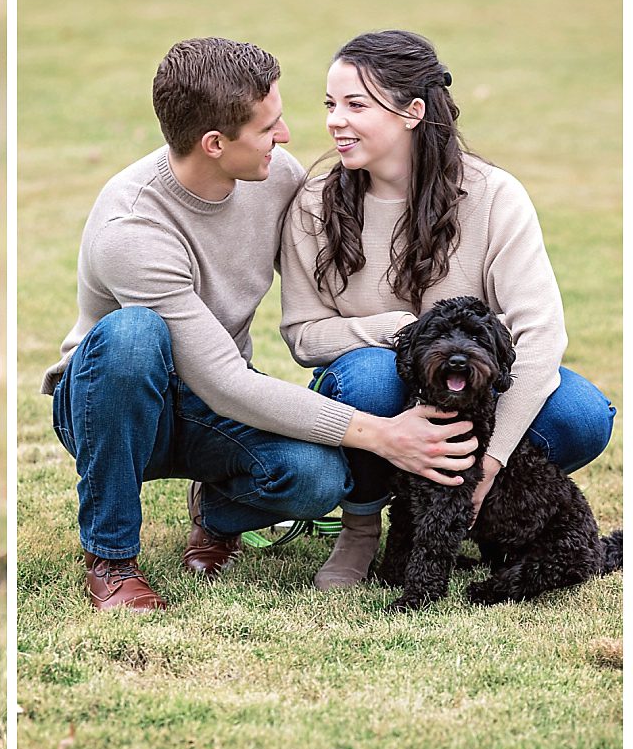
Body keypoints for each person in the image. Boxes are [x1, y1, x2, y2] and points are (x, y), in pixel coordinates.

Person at [43, 36, 475, 612]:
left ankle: (216, 514)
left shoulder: (275, 177)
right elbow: (223, 380)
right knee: (133, 335)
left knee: (318, 478)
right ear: (215, 143)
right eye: (269, 127)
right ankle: (112, 559)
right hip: (113, 402)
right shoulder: (132, 226)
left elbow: (325, 285)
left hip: (210, 407)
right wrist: (381, 434)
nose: (287, 135)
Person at [281, 29, 618, 590]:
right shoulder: (315, 205)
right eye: (330, 104)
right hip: (374, 396)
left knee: (579, 414)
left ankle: (475, 512)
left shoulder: (493, 195)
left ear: (413, 112)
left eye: (356, 105)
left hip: (472, 403)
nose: (336, 121)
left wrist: (489, 463)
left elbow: (539, 334)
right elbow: (302, 334)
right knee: (371, 376)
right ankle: (361, 527)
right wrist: (397, 331)